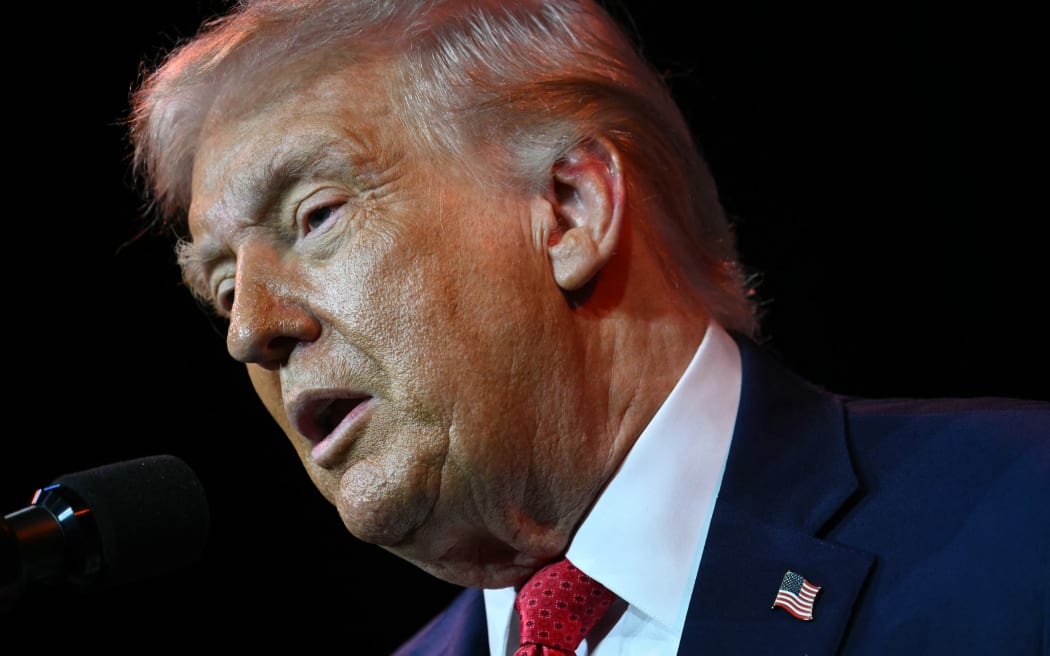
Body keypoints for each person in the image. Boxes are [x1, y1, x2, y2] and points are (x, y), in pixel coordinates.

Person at [124, 0, 1049, 653]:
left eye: (316, 216)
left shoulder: (1022, 520)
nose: (250, 330)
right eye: (218, 291)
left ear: (569, 209)